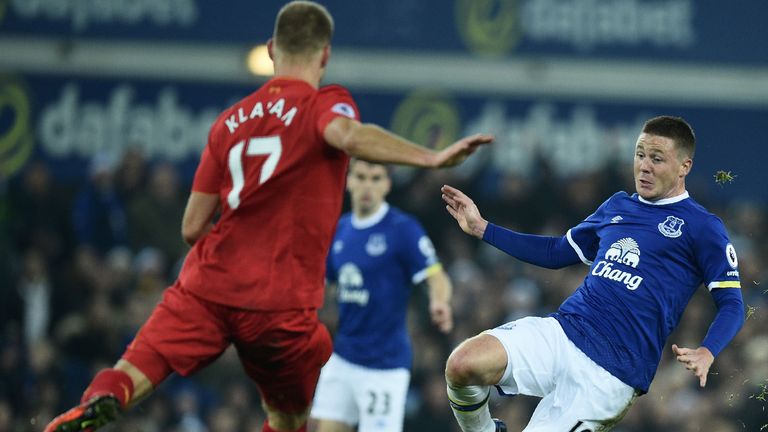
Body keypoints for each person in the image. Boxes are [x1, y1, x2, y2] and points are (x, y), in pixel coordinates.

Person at [43, 2, 493, 432]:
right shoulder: (323, 103)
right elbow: (348, 134)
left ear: (273, 49)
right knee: (288, 417)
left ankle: (105, 398)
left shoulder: (228, 122)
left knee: (139, 363)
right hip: (279, 304)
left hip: (207, 285)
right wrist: (431, 158)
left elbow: (191, 228)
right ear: (325, 55)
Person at [440, 115, 745, 432]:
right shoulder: (617, 207)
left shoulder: (702, 227)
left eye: (657, 159)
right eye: (640, 155)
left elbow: (733, 304)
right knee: (463, 364)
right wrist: (483, 228)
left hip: (610, 375)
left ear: (684, 167)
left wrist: (708, 351)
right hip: (565, 331)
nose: (644, 166)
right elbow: (557, 253)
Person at [309, 159, 454, 432]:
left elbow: (436, 276)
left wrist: (439, 301)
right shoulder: (340, 229)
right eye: (361, 177)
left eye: (376, 179)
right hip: (343, 357)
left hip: (384, 365)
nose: (367, 186)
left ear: (387, 184)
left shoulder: (402, 229)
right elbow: (320, 284)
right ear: (349, 180)